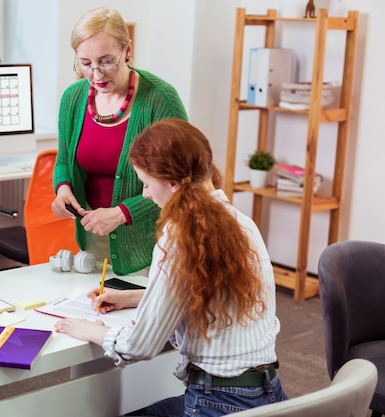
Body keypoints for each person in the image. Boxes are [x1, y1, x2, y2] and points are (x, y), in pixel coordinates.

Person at [54, 118, 288, 416]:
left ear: (174, 183)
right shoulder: (241, 222)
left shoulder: (179, 236)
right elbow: (213, 291)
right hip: (268, 395)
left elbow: (138, 346)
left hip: (219, 402)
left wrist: (88, 329)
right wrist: (137, 298)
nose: (147, 194)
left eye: (147, 184)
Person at [51, 7, 188, 275]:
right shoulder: (73, 98)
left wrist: (123, 213)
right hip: (93, 234)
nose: (97, 74)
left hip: (149, 240)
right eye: (86, 63)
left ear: (127, 50)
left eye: (106, 61)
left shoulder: (161, 100)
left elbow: (183, 181)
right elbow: (64, 160)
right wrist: (63, 188)